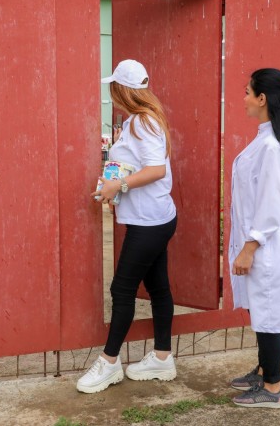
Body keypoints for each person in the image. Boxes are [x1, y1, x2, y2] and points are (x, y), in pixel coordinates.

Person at [76, 59, 178, 394]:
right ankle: (162, 358)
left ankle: (109, 363)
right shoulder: (141, 120)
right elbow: (140, 164)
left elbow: (156, 170)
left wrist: (117, 186)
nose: (110, 91)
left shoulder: (143, 122)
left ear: (122, 89)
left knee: (122, 290)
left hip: (149, 222)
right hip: (153, 218)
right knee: (158, 287)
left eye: (113, 86)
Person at [227, 68, 280, 408]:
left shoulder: (273, 147)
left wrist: (249, 248)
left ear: (262, 98)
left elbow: (271, 205)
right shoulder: (267, 139)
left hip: (268, 246)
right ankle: (264, 371)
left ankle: (274, 389)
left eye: (247, 92)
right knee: (263, 310)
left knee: (269, 315)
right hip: (266, 244)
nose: (244, 98)